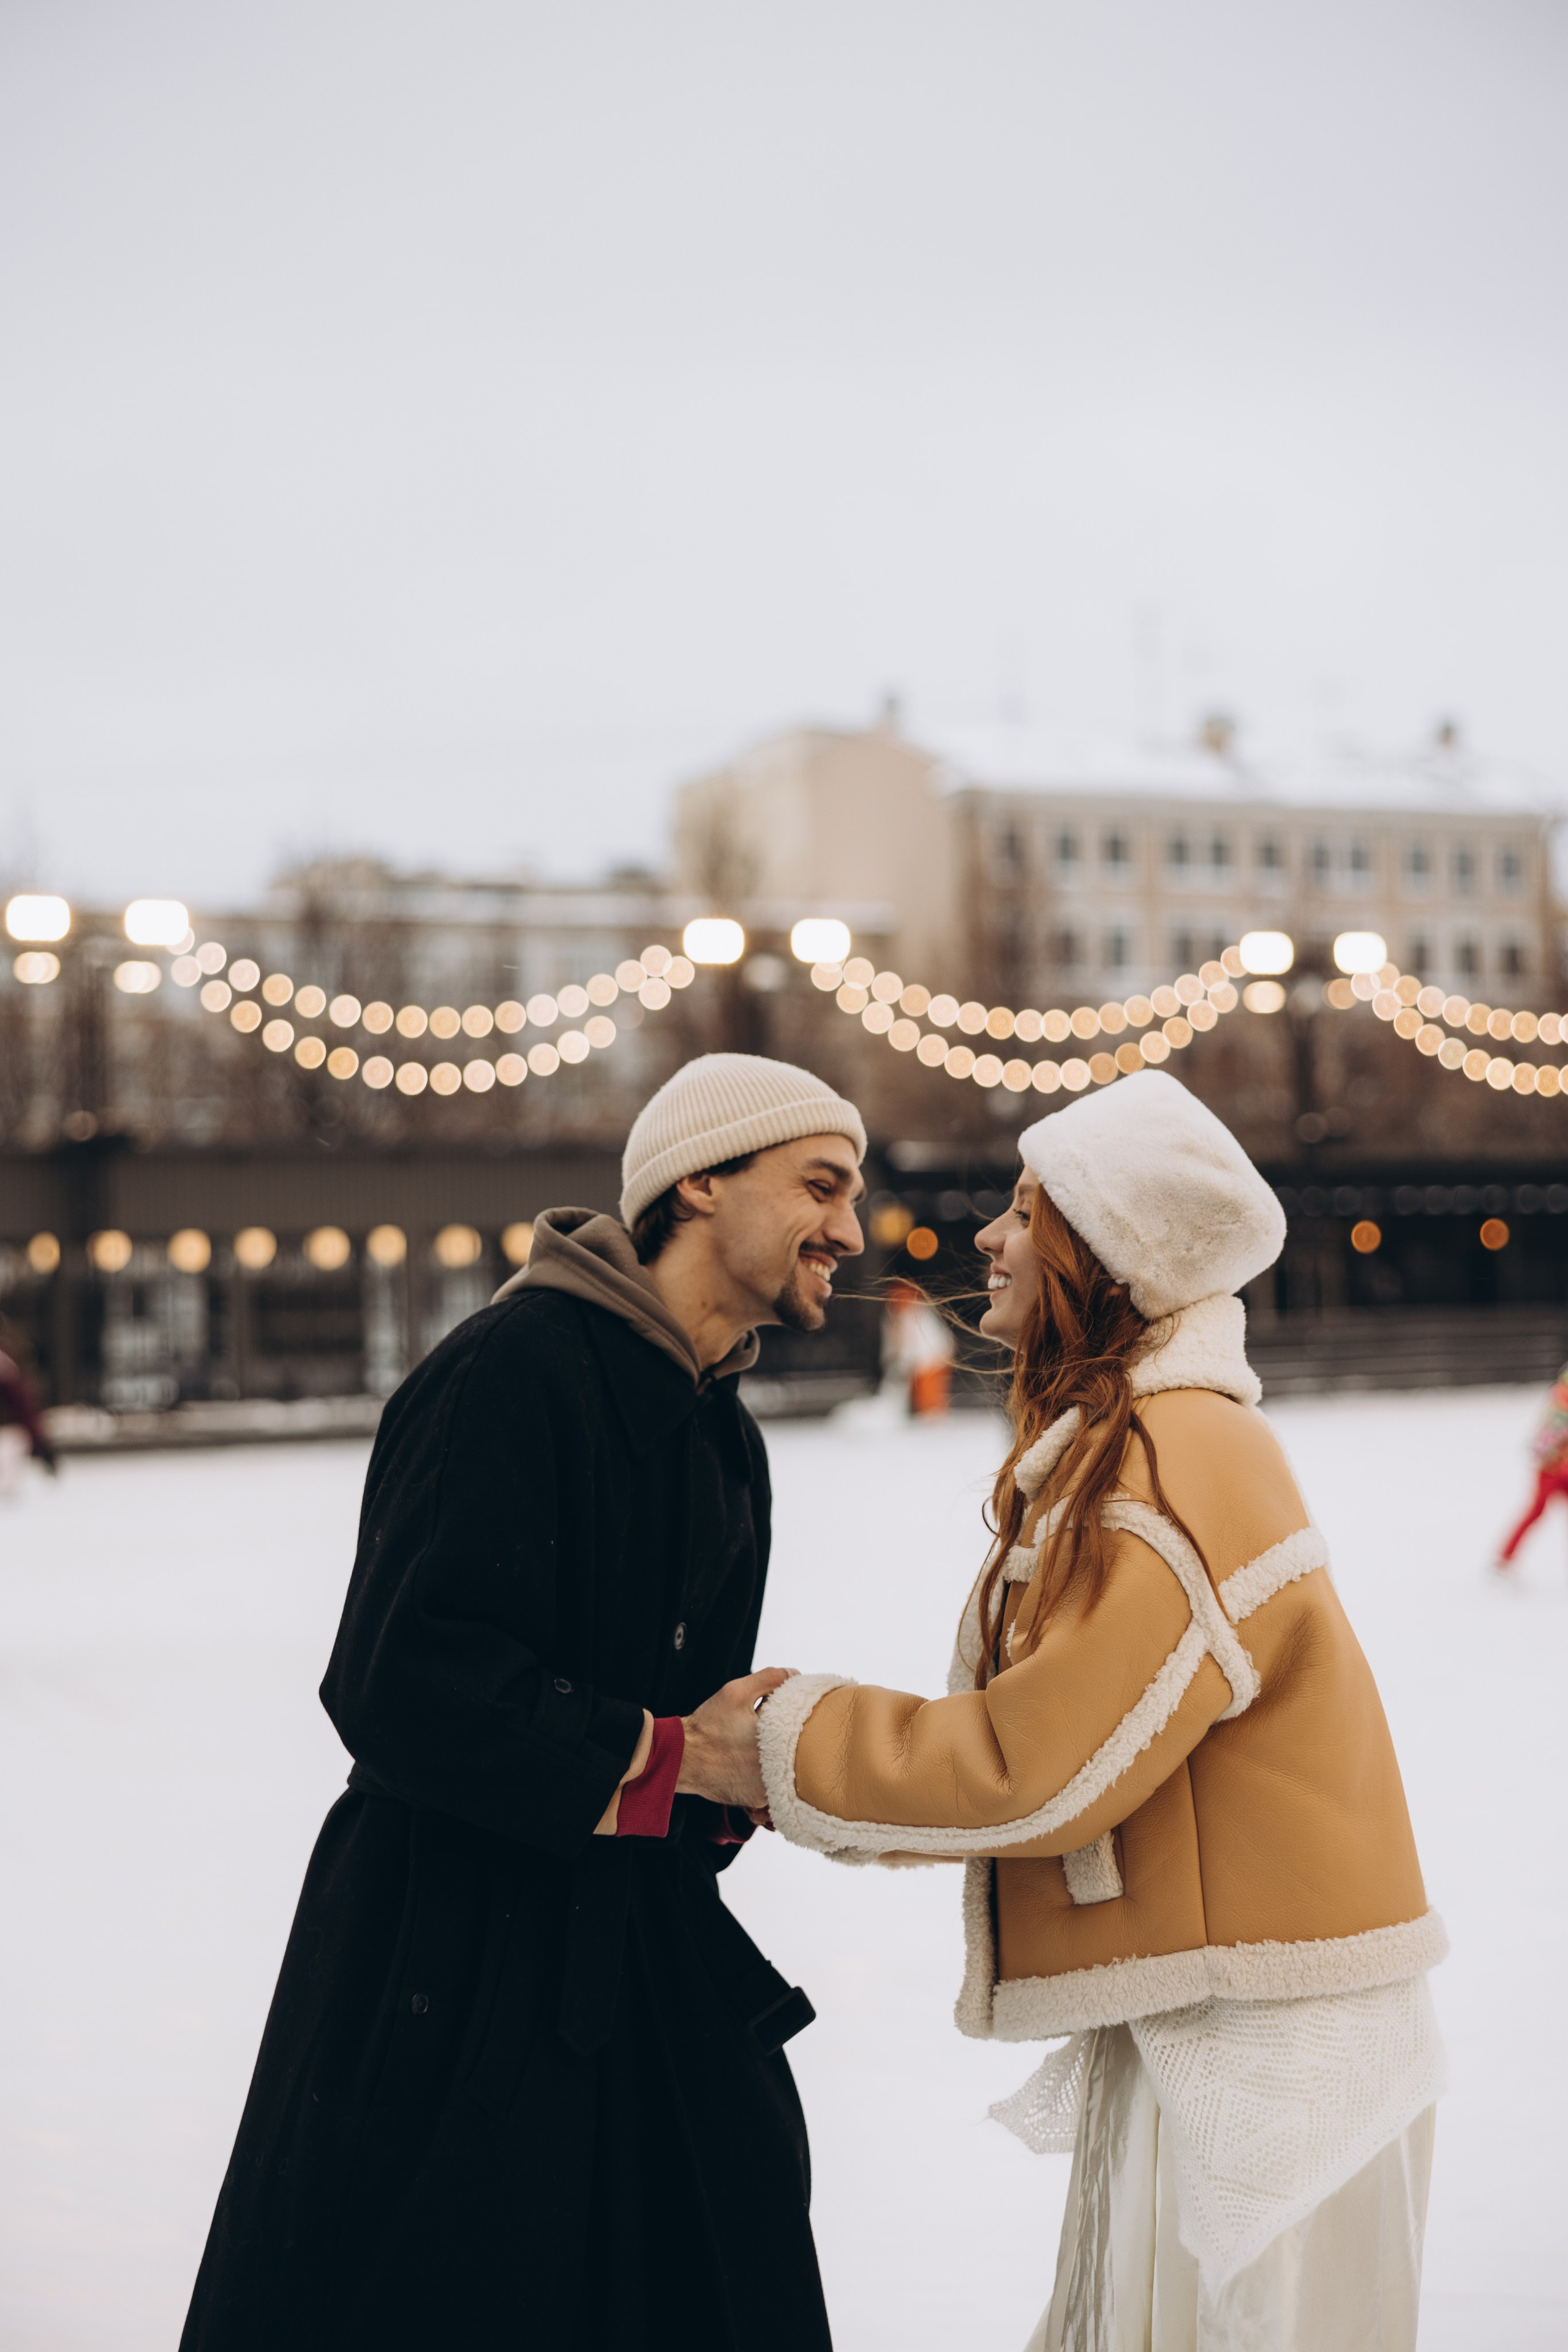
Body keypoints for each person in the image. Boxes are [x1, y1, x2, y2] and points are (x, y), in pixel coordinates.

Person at [688, 1070, 1447, 2349]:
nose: (986, 1237)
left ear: (1107, 1254)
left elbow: (1037, 1763)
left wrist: (776, 1743)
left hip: (1274, 2054)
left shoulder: (1174, 1457)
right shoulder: (1136, 1439)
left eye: (1027, 1210)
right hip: (1218, 2013)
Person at [179, 1052, 867, 2352]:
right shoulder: (510, 1371)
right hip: (449, 1970)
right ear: (702, 1185)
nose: (849, 1229)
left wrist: (737, 1765)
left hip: (631, 1961)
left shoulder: (725, 1434)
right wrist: (670, 1758)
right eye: (819, 1186)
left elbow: (685, 1724)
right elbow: (398, 1675)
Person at [1495, 1357, 1568, 1569]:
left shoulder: (1558, 1398)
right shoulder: (1560, 1404)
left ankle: (1505, 1558)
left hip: (1557, 1466)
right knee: (1536, 1511)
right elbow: (1550, 1436)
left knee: (1535, 1511)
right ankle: (1505, 1558)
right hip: (1551, 1469)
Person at [0, 1333, 56, 1496]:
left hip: (8, 1437)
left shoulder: (5, 1365)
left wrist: (41, 1446)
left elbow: (23, 1407)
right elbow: (24, 1407)